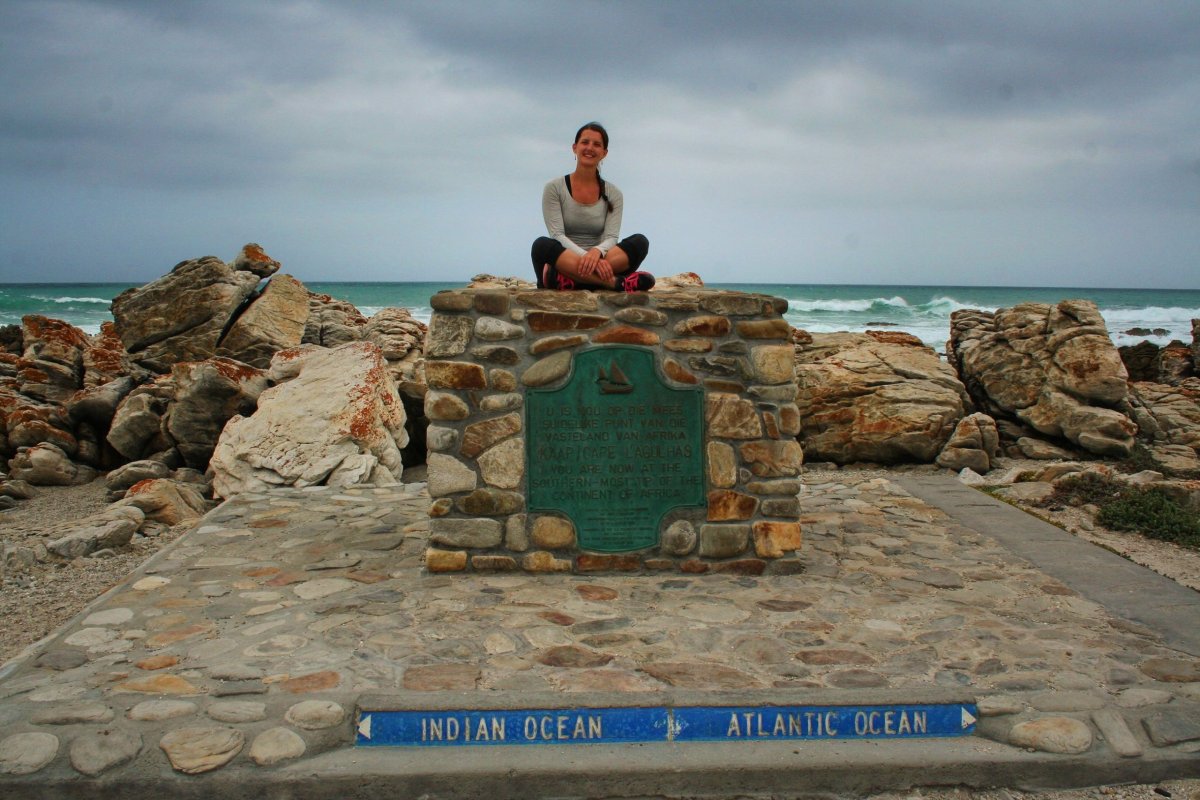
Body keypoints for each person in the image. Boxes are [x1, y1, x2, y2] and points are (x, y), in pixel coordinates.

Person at [531, 122, 655, 292]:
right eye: (585, 142)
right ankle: (615, 283)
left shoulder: (614, 193)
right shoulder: (554, 188)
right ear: (575, 147)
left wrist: (597, 252)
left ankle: (574, 281)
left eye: (597, 144)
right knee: (541, 245)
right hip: (565, 260)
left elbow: (611, 237)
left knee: (640, 242)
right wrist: (588, 258)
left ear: (604, 153)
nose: (590, 148)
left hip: (603, 258)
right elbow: (557, 235)